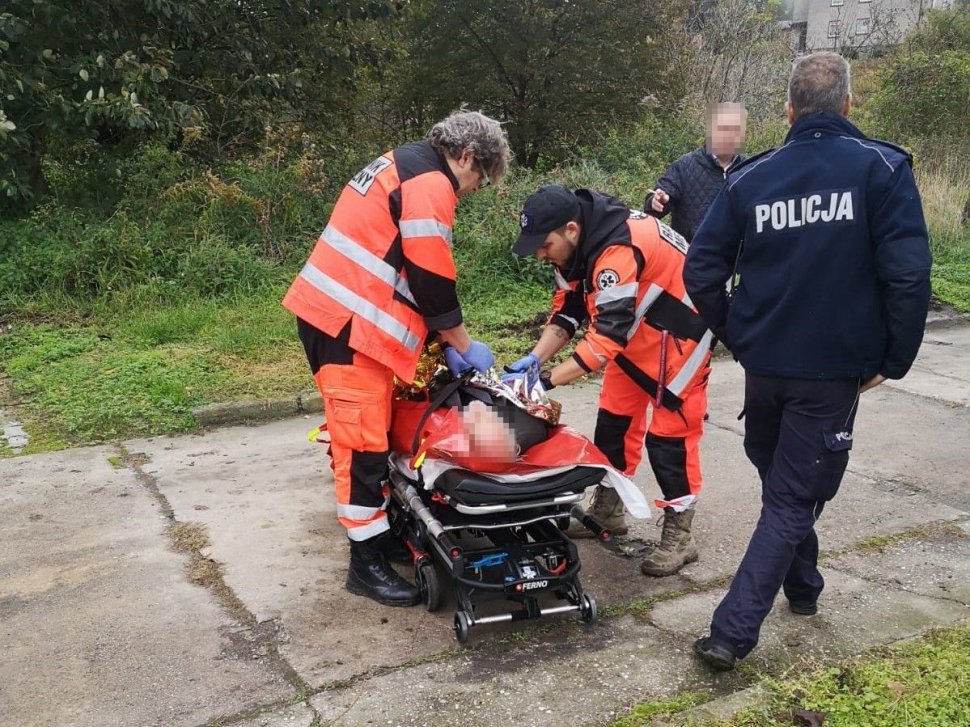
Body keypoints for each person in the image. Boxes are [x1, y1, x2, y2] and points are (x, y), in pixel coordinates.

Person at [683, 52, 932, 670]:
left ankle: (803, 587)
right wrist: (893, 360)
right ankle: (732, 633)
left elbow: (701, 269)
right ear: (848, 104)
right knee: (792, 495)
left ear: (789, 109)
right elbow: (907, 278)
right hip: (823, 372)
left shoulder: (753, 177)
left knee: (785, 485)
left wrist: (736, 332)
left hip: (770, 366)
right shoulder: (882, 168)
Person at [282, 111, 512, 606]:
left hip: (342, 319)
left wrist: (440, 342)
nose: (472, 191)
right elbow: (431, 276)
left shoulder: (404, 165)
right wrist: (461, 343)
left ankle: (378, 537)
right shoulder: (431, 182)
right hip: (347, 326)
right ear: (466, 156)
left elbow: (398, 264)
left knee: (370, 436)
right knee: (361, 445)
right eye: (478, 180)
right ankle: (365, 564)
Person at [507, 185, 714, 577]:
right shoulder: (576, 246)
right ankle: (609, 509)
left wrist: (546, 381)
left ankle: (680, 535)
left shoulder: (616, 250)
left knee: (670, 442)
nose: (539, 255)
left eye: (544, 245)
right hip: (635, 336)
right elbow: (569, 312)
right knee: (614, 423)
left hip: (680, 340)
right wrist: (535, 358)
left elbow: (605, 339)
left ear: (570, 229)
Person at [644, 102, 747, 243]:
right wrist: (655, 202)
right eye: (722, 128)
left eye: (735, 130)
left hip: (736, 254)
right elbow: (657, 203)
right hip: (691, 252)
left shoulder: (750, 168)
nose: (728, 135)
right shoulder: (684, 166)